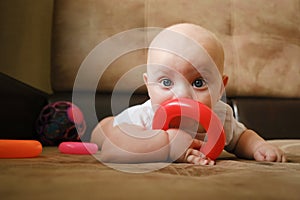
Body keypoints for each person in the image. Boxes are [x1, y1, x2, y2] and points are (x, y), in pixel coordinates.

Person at [91, 23, 286, 165]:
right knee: (102, 132)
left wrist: (259, 147)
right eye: (166, 82)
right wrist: (167, 144)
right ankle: (81, 122)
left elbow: (241, 137)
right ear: (148, 86)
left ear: (220, 89)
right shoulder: (144, 117)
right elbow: (111, 149)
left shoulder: (221, 118)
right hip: (116, 127)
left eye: (198, 83)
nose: (182, 95)